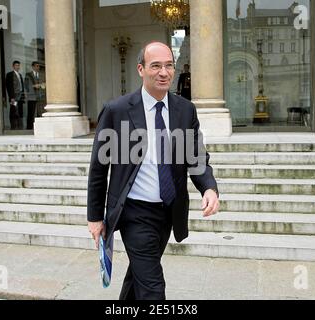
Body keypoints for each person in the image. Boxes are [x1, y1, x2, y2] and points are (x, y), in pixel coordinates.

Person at [87, 42, 219, 300]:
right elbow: (99, 167)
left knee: (139, 277)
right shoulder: (117, 110)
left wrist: (209, 187)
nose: (164, 72)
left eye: (169, 65)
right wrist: (95, 217)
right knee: (153, 289)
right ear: (141, 69)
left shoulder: (185, 109)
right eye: (156, 65)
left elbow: (196, 155)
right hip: (133, 213)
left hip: (168, 212)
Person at [24, 61, 44, 130]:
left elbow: (43, 84)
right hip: (31, 97)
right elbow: (26, 86)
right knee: (31, 113)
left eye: (38, 66)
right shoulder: (28, 74)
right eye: (36, 66)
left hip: (40, 96)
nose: (38, 67)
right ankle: (29, 128)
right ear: (33, 67)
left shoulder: (41, 75)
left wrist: (42, 85)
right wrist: (34, 86)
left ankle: (39, 128)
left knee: (39, 112)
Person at [5, 61, 25, 130]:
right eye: (16, 65)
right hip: (14, 97)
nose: (18, 67)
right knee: (13, 110)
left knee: (20, 111)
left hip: (20, 96)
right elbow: (9, 86)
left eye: (18, 65)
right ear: (13, 66)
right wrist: (11, 97)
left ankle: (19, 126)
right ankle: (13, 126)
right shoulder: (9, 74)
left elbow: (22, 86)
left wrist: (23, 96)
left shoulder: (20, 75)